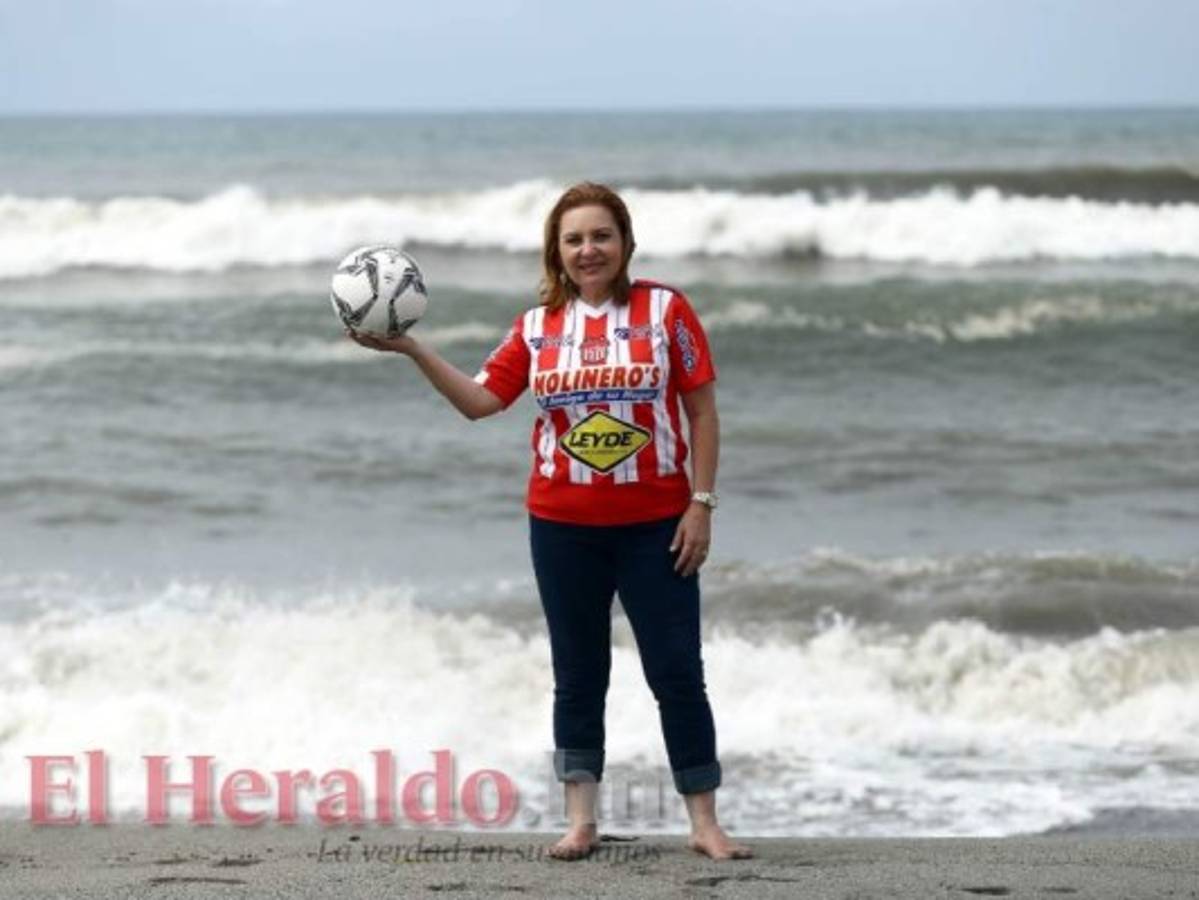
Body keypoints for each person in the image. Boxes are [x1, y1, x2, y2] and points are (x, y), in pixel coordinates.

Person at [346, 182, 751, 861]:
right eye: (573, 240)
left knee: (677, 671)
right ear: (556, 253)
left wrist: (700, 504)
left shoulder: (664, 311)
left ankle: (704, 822)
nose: (587, 249)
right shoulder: (537, 328)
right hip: (561, 528)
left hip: (657, 526)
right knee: (577, 671)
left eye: (600, 236)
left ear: (623, 243)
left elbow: (702, 412)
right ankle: (580, 820)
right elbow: (481, 402)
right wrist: (415, 352)